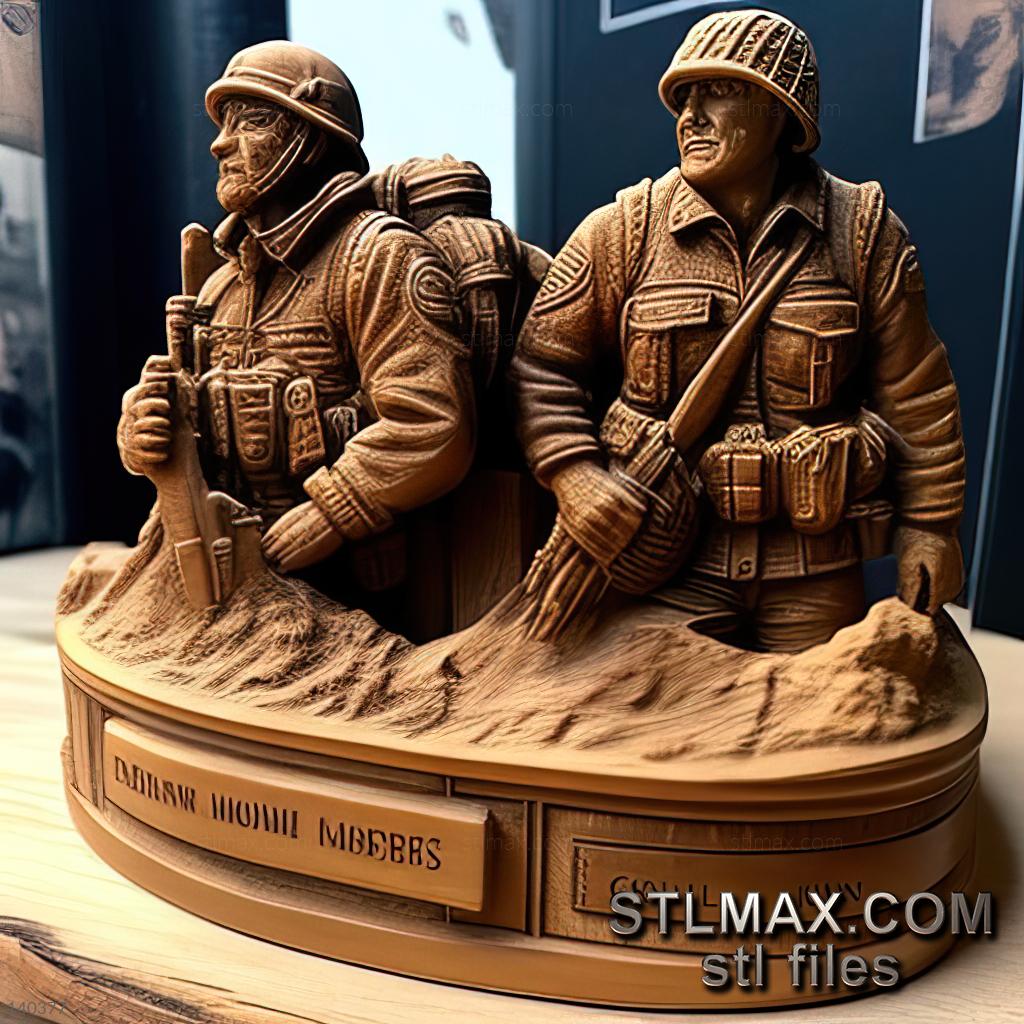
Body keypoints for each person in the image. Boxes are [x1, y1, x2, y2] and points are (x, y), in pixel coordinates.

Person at [512, 9, 965, 652]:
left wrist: (931, 525)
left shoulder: (863, 232)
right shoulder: (621, 232)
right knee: (654, 706)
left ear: (782, 112)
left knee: (824, 708)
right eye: (684, 98)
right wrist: (575, 475)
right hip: (670, 562)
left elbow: (916, 390)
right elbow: (542, 367)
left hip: (813, 564)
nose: (690, 117)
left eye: (720, 91)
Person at [116, 41, 475, 575]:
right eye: (223, 124)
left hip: (346, 577)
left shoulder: (377, 256)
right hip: (223, 557)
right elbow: (194, 422)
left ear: (311, 139)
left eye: (253, 121)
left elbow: (432, 422)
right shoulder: (220, 286)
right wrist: (141, 431)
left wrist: (332, 512)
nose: (220, 144)